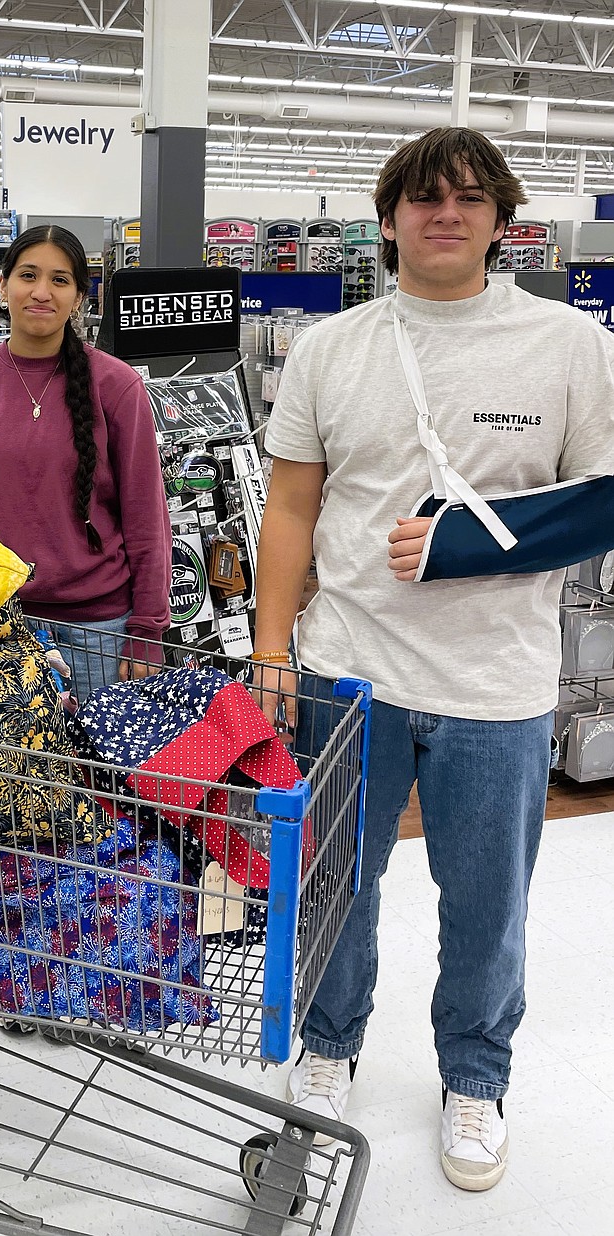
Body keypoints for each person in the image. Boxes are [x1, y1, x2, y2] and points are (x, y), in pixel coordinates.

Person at [253, 127, 614, 1192]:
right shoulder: (332, 347)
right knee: (335, 882)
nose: (443, 213)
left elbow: (600, 501)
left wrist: (464, 544)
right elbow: (290, 511)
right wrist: (272, 646)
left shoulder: (569, 345)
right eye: (422, 196)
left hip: (495, 684)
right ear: (390, 217)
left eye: (467, 198)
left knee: (487, 899)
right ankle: (328, 1045)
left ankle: (476, 1073)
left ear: (503, 221)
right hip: (347, 667)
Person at [0, 223, 171, 699]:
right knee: (12, 772)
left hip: (104, 635)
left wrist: (147, 629)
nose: (42, 292)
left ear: (79, 297)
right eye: (28, 275)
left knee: (99, 775)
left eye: (60, 280)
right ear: (4, 283)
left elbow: (146, 517)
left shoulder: (117, 387)